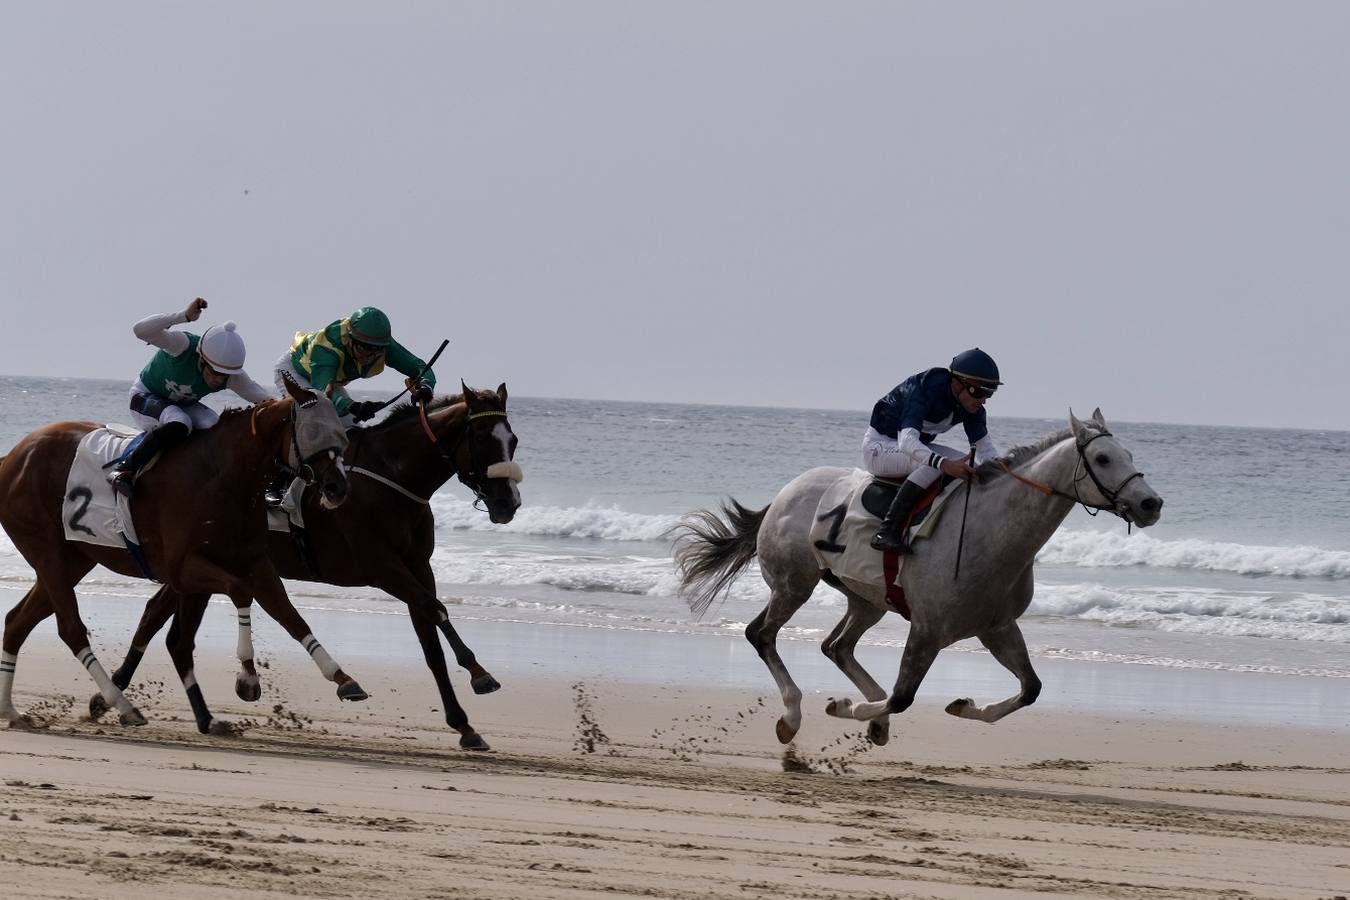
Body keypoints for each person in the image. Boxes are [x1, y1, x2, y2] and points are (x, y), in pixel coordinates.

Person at [108, 298, 275, 496]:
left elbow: (266, 401)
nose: (216, 380)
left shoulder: (233, 377)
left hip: (182, 404)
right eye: (213, 372)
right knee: (180, 421)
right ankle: (125, 469)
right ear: (201, 358)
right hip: (145, 397)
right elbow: (140, 330)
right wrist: (183, 316)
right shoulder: (182, 345)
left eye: (223, 375)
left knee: (215, 425)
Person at [861, 347, 1004, 554]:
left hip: (909, 448)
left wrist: (1008, 471)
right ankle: (887, 531)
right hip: (879, 448)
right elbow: (907, 442)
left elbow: (986, 450)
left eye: (989, 393)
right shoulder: (924, 389)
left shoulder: (971, 407)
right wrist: (944, 464)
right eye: (979, 391)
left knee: (970, 466)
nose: (983, 400)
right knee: (941, 463)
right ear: (957, 383)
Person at [275, 307, 435, 424]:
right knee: (316, 414)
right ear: (350, 340)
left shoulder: (382, 345)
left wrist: (426, 388)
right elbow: (322, 392)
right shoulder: (328, 347)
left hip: (328, 381)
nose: (369, 356)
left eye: (376, 351)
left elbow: (420, 367)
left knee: (353, 428)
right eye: (364, 349)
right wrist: (354, 407)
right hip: (294, 371)